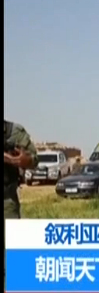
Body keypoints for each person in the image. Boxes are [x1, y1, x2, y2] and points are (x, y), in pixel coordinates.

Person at [4, 120, 38, 288]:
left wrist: (24, 161)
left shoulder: (14, 132)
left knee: (12, 260)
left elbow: (34, 158)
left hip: (6, 202)